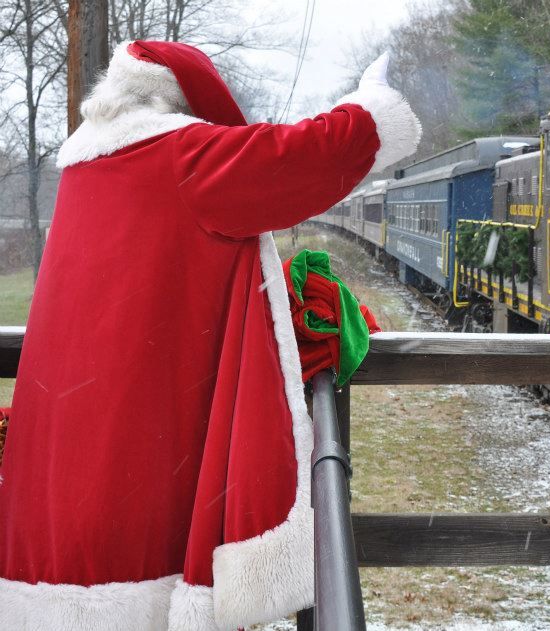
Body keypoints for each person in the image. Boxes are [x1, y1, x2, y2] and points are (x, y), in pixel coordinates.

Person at [0, 40, 420, 631]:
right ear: (189, 103)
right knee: (133, 586)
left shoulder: (83, 169)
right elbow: (302, 157)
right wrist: (368, 106)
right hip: (139, 446)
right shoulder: (180, 155)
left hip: (67, 434)